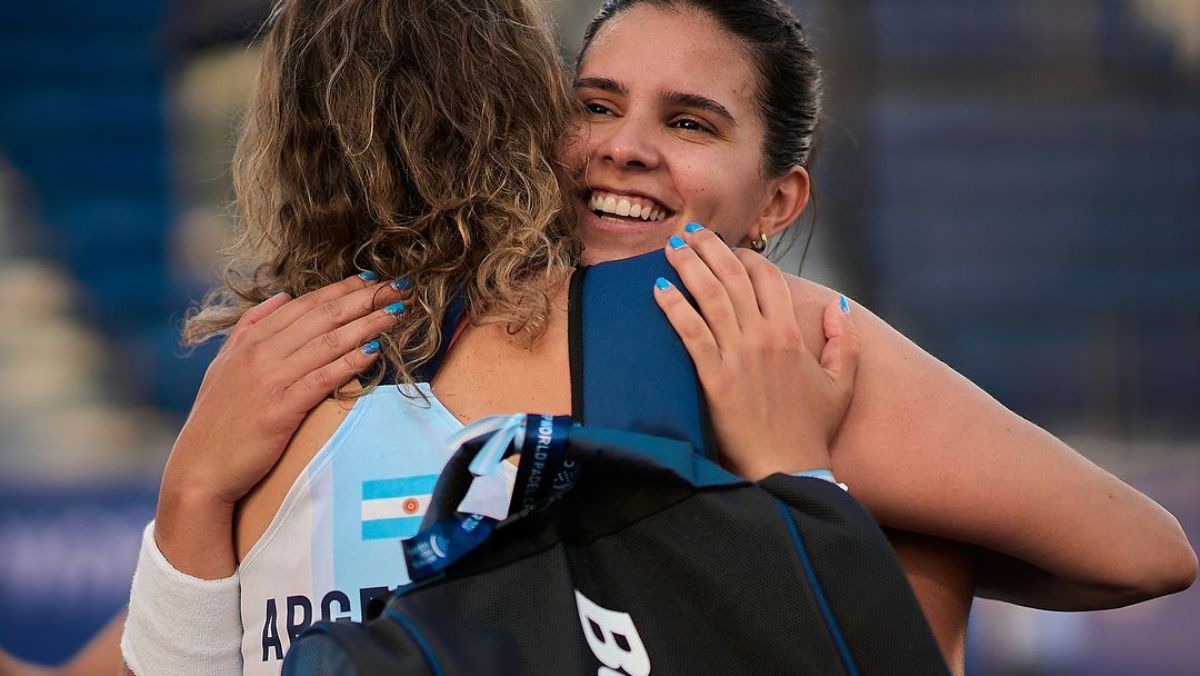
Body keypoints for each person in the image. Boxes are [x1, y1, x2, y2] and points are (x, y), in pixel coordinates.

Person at [5, 1, 1193, 675]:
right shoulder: (315, 365)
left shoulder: (776, 339)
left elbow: (1142, 552)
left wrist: (817, 508)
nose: (624, 148)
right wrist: (190, 500)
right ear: (535, 124)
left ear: (780, 200)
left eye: (689, 121)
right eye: (596, 106)